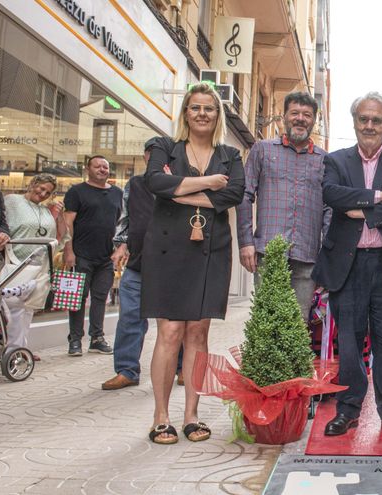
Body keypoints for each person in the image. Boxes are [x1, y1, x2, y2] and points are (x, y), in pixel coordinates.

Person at [312, 92, 382, 440]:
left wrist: (360, 206)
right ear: (355, 122)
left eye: (376, 119)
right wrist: (379, 197)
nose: (369, 125)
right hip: (348, 263)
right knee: (350, 341)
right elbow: (332, 194)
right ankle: (347, 409)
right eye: (364, 119)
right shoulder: (337, 160)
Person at [143, 82, 245, 444]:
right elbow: (154, 182)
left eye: (210, 108)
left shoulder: (230, 155)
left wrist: (179, 190)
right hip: (167, 250)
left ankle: (191, 415)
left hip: (211, 250)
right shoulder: (163, 147)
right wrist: (207, 185)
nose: (202, 114)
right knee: (169, 332)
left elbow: (234, 193)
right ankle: (161, 416)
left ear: (218, 115)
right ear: (185, 112)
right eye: (195, 107)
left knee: (198, 333)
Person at [237, 91, 328, 322]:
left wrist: (327, 255)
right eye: (294, 113)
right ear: (284, 117)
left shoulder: (325, 160)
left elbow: (329, 210)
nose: (300, 118)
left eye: (307, 114)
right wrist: (246, 242)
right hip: (268, 252)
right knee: (266, 324)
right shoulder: (263, 150)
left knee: (298, 326)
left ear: (314, 121)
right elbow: (245, 195)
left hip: (308, 257)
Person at [102, 140, 182, 390]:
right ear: (146, 157)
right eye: (153, 156)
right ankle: (127, 370)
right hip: (138, 264)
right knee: (129, 319)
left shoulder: (180, 182)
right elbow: (127, 219)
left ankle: (180, 369)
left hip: (171, 265)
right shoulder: (135, 184)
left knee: (175, 321)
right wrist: (122, 244)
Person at [62, 156, 122, 356]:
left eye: (105, 166)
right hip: (81, 255)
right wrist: (68, 251)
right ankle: (75, 339)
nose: (102, 169)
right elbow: (67, 223)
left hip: (106, 257)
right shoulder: (76, 192)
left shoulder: (117, 194)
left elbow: (122, 224)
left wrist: (120, 248)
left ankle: (96, 338)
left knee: (100, 298)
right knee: (77, 298)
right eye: (97, 166)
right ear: (88, 169)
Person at [2, 174, 63, 355]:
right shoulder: (12, 201)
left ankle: (21, 347)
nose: (43, 193)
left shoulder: (45, 210)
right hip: (14, 262)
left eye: (48, 192)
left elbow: (60, 237)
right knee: (12, 307)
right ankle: (11, 349)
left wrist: (58, 215)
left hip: (39, 265)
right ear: (32, 184)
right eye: (41, 188)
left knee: (28, 308)